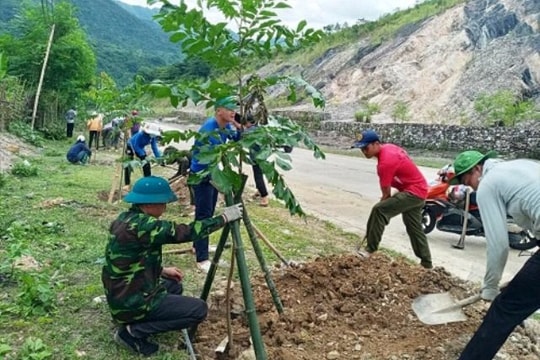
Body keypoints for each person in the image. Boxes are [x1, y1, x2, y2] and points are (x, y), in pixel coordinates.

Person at [101, 176, 243, 357]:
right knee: (198, 310)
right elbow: (187, 232)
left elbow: (128, 260)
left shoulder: (125, 219)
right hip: (130, 301)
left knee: (174, 285)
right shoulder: (146, 225)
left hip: (120, 293)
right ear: (150, 204)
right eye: (163, 203)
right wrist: (223, 218)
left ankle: (136, 318)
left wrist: (162, 270)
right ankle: (133, 332)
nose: (165, 207)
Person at [448, 150, 540, 360]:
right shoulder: (519, 165)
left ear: (477, 168)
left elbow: (499, 245)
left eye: (467, 179)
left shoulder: (488, 184)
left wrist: (490, 287)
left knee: (505, 309)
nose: (470, 186)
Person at [353, 130, 432, 269]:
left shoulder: (385, 163)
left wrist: (386, 201)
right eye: (361, 148)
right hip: (419, 190)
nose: (364, 151)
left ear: (376, 144)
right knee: (414, 228)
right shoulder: (389, 148)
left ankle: (370, 249)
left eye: (366, 147)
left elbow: (386, 194)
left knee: (379, 210)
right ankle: (426, 263)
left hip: (413, 192)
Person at [190, 96, 242, 272]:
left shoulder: (225, 126)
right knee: (203, 215)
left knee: (208, 212)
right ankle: (201, 258)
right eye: (229, 108)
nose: (232, 111)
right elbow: (212, 157)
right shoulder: (209, 129)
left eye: (234, 108)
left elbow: (236, 139)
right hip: (202, 175)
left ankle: (198, 246)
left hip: (211, 174)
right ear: (218, 110)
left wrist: (239, 126)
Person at [123, 123, 162, 189]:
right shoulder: (140, 135)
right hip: (131, 147)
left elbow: (154, 147)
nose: (154, 135)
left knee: (146, 164)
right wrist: (142, 154)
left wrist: (159, 159)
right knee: (128, 165)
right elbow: (135, 145)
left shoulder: (153, 137)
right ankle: (127, 184)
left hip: (140, 148)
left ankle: (147, 182)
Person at [243, 113, 269, 207]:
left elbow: (242, 135)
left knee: (258, 176)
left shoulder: (251, 130)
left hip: (257, 158)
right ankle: (259, 190)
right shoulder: (258, 128)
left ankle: (264, 197)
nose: (244, 125)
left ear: (249, 122)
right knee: (259, 175)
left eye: (245, 123)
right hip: (262, 156)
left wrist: (236, 124)